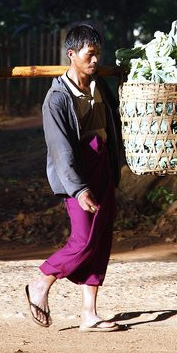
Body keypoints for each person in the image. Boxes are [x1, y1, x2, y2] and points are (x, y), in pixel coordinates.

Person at [25, 24, 127, 332]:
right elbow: (60, 150)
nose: (95, 60)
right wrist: (79, 189)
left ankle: (89, 314)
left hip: (103, 167)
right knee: (82, 241)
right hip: (78, 175)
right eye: (89, 54)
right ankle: (42, 281)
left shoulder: (100, 87)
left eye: (98, 54)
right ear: (72, 54)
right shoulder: (56, 99)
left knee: (101, 240)